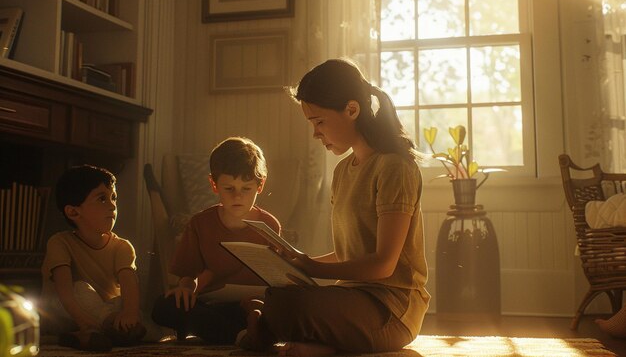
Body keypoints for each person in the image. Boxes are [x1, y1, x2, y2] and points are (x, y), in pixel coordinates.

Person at [239, 58, 430, 357]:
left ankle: (279, 331)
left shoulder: (395, 167)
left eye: (319, 122)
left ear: (352, 110)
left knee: (289, 307)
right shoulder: (342, 172)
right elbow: (348, 253)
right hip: (352, 297)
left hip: (391, 309)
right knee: (280, 297)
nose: (316, 133)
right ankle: (315, 344)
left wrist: (313, 268)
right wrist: (296, 262)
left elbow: (384, 264)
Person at [151, 136, 282, 344]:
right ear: (214, 184)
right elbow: (188, 274)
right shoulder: (200, 223)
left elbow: (275, 278)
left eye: (246, 189)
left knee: (282, 309)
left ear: (260, 185)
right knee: (164, 306)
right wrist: (185, 289)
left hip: (254, 304)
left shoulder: (270, 225)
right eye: (229, 188)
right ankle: (242, 336)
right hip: (214, 304)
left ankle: (243, 329)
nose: (237, 196)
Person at [41, 165, 147, 352]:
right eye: (102, 199)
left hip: (104, 310)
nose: (113, 205)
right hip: (66, 312)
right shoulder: (59, 242)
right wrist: (86, 323)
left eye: (113, 197)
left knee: (126, 302)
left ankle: (88, 337)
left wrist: (130, 313)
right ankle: (104, 331)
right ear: (73, 212)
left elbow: (129, 283)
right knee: (80, 288)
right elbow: (65, 293)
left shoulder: (122, 246)